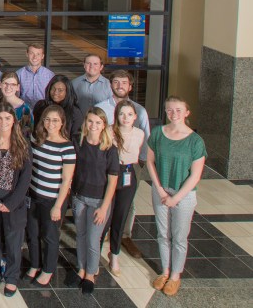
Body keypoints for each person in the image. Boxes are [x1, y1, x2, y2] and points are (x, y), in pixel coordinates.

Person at [146, 96, 207, 297]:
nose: (174, 114)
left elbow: (195, 175)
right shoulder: (157, 133)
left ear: (187, 112)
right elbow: (150, 162)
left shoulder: (195, 141)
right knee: (163, 233)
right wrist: (160, 190)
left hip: (184, 194)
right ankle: (165, 271)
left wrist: (176, 197)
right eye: (170, 110)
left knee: (179, 237)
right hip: (161, 190)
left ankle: (175, 276)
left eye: (178, 110)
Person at [0, 104, 32, 297]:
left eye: (7, 118)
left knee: (13, 241)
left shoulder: (23, 143)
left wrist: (11, 202)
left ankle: (11, 276)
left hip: (14, 201)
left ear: (13, 120)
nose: (3, 122)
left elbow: (26, 177)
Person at [25, 104, 76, 287]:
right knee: (32, 233)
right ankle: (35, 264)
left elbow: (67, 180)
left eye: (55, 120)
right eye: (47, 119)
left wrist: (58, 206)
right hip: (33, 195)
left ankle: (47, 270)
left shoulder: (67, 147)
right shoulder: (36, 139)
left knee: (50, 236)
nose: (50, 123)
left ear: (62, 122)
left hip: (52, 199)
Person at [72, 108, 119, 294]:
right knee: (81, 235)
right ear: (85, 122)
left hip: (98, 201)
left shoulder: (110, 149)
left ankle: (91, 274)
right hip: (79, 197)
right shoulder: (78, 142)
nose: (93, 125)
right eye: (90, 121)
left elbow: (113, 181)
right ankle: (81, 268)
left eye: (98, 122)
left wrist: (104, 207)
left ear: (104, 125)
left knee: (93, 239)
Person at [106, 100, 145, 276]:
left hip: (129, 174)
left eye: (129, 114)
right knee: (106, 215)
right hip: (111, 173)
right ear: (116, 115)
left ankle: (114, 255)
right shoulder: (109, 131)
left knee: (121, 216)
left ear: (135, 116)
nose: (126, 118)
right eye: (122, 114)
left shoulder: (140, 134)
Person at [31, 75, 83, 143]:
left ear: (67, 92)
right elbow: (35, 130)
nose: (55, 92)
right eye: (53, 89)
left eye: (60, 90)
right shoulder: (41, 105)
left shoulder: (75, 112)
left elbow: (76, 139)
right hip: (41, 145)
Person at [15, 43, 55, 107]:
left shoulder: (50, 75)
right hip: (24, 110)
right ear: (27, 54)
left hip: (44, 110)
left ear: (42, 56)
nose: (35, 57)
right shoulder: (18, 74)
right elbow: (15, 96)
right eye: (32, 53)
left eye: (38, 54)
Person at [0, 71, 34, 136]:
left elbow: (29, 132)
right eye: (5, 83)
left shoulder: (25, 109)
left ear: (18, 87)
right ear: (0, 84)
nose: (8, 87)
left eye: (13, 84)